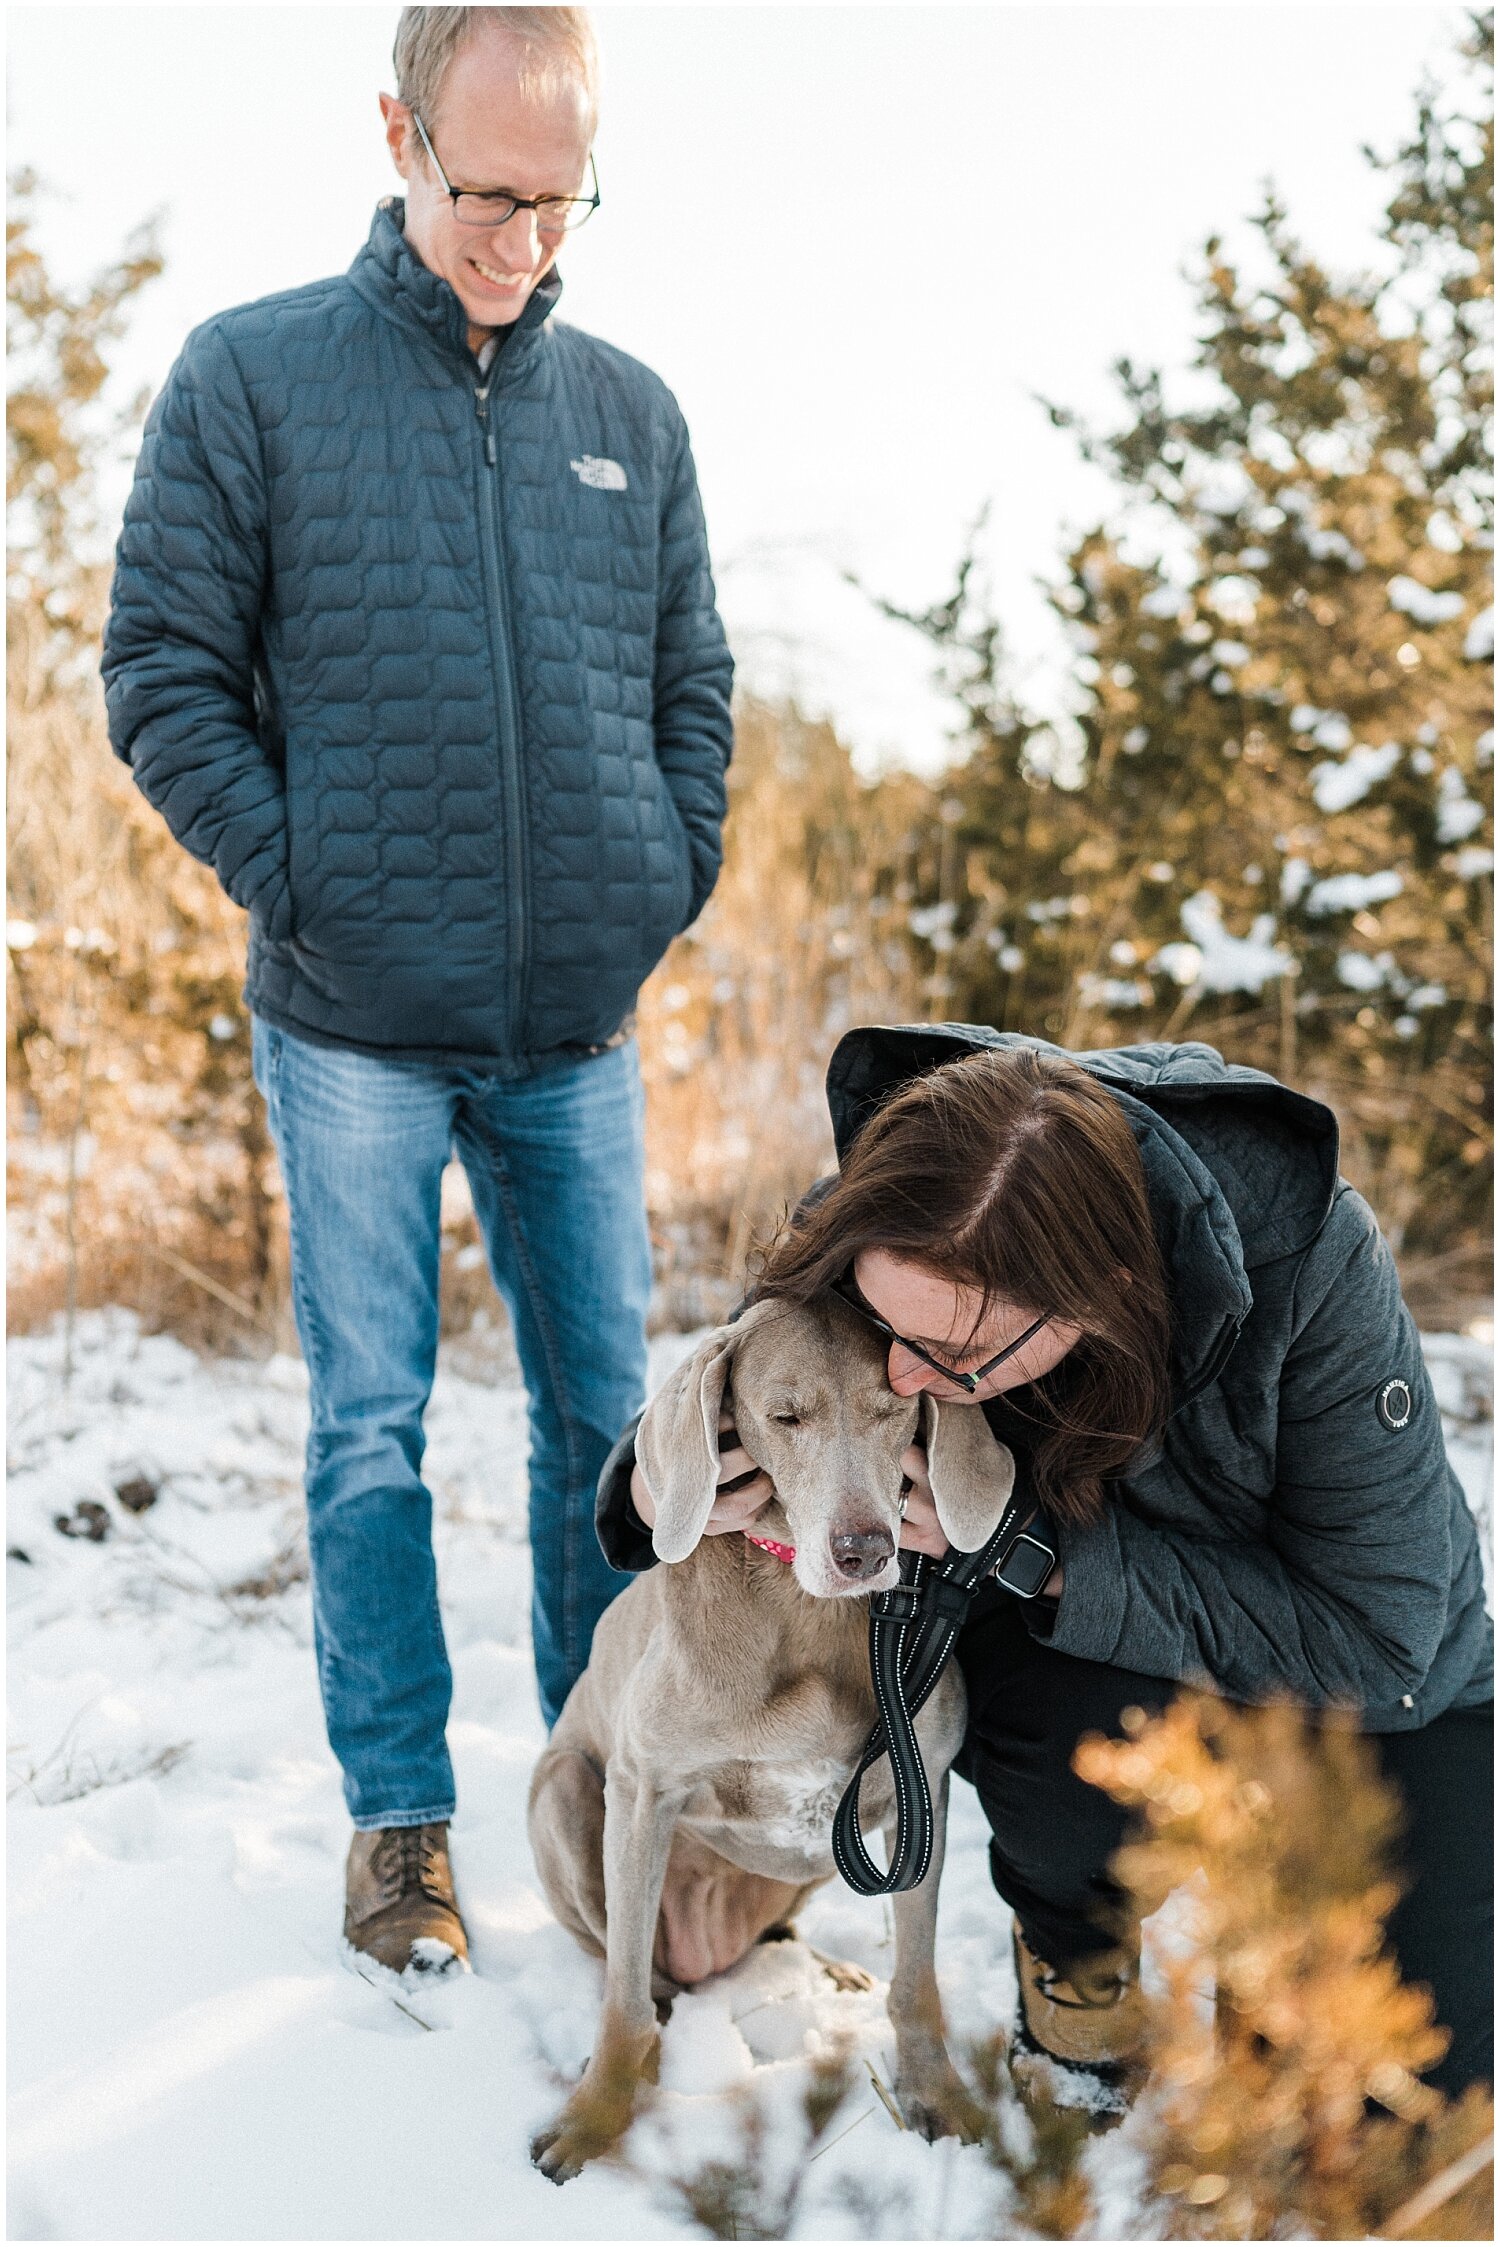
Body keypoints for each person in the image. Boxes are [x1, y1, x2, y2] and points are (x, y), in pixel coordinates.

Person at [102, 5, 734, 1976]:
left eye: (563, 201)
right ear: (397, 133)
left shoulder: (631, 406)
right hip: (351, 1021)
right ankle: (399, 1824)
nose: (522, 240)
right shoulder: (253, 376)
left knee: (605, 1431)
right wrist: (312, 882)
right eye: (485, 193)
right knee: (370, 1423)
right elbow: (158, 672)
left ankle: (597, 1775)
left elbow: (691, 692)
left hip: (575, 1032)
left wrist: (655, 877)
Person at [597, 1023, 1493, 2109]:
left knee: (1389, 2115)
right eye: (886, 1326)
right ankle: (1076, 1947)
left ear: (1102, 1290)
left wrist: (1041, 1553)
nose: (908, 1374)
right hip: (1081, 1653)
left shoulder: (1311, 1265)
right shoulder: (897, 1223)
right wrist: (646, 1492)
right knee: (1038, 1735)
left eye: (956, 1356)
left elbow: (1377, 1635)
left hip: (1361, 1679)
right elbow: (755, 1381)